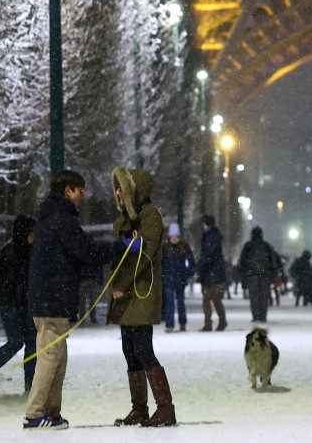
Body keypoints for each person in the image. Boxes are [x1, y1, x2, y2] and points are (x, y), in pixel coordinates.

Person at [24, 170, 124, 430]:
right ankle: (35, 414)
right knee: (49, 357)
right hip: (52, 299)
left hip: (50, 299)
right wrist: (119, 248)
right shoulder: (62, 219)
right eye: (80, 189)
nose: (84, 195)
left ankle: (51, 413)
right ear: (68, 190)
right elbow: (86, 251)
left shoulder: (51, 218)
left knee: (57, 357)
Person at [107, 167, 176, 428]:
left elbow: (144, 255)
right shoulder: (125, 219)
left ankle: (165, 408)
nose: (117, 193)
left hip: (141, 292)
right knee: (130, 350)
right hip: (126, 294)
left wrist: (121, 284)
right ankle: (139, 409)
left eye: (121, 187)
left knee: (143, 349)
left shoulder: (151, 216)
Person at [0, 215, 37, 392]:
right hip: (12, 304)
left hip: (22, 303)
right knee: (17, 342)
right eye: (32, 232)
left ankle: (31, 383)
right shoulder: (13, 252)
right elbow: (15, 280)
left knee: (31, 344)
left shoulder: (25, 250)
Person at [237, 226, 278, 323]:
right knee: (264, 296)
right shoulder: (266, 246)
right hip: (265, 275)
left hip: (252, 275)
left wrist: (243, 272)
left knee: (254, 296)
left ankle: (256, 316)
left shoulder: (248, 245)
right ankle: (263, 315)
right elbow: (273, 261)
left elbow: (242, 260)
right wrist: (273, 273)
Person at [160, 223, 195, 333]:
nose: (174, 238)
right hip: (169, 279)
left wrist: (186, 273)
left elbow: (192, 263)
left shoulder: (184, 246)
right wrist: (163, 275)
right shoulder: (165, 248)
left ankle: (182, 323)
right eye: (172, 236)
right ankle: (170, 324)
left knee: (180, 302)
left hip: (179, 279)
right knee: (170, 303)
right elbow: (160, 263)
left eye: (176, 236)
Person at [197, 215, 228, 331]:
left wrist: (202, 268)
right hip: (215, 273)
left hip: (210, 274)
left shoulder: (209, 236)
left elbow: (208, 256)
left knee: (209, 300)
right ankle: (219, 322)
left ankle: (211, 323)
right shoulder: (214, 235)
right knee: (214, 300)